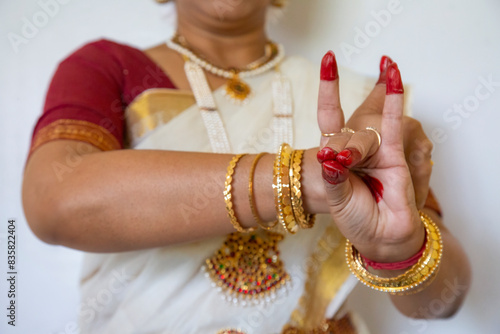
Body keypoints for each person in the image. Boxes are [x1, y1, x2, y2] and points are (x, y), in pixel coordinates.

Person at [22, 0, 471, 333]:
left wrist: (397, 248)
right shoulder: (108, 67)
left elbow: (443, 302)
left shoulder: (357, 105)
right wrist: (302, 179)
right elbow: (56, 202)